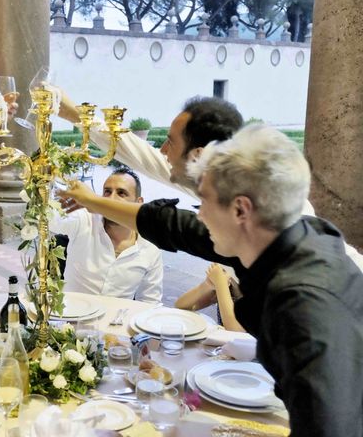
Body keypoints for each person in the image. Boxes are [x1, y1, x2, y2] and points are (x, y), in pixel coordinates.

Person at [59, 125, 363, 437]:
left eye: (202, 203)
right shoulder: (273, 232)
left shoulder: (306, 306)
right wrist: (93, 202)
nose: (199, 216)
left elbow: (330, 426)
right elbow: (177, 227)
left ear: (240, 209)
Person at [59, 93, 363, 270]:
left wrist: (92, 201)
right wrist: (76, 115)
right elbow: (141, 157)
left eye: (169, 143)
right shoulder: (218, 177)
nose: (162, 151)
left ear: (199, 154)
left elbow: (178, 227)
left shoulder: (256, 207)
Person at [50, 168, 163, 303]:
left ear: (138, 203)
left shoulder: (150, 248)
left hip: (117, 322)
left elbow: (149, 301)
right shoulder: (84, 219)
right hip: (71, 318)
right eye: (107, 192)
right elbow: (50, 221)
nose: (111, 198)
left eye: (121, 193)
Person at [175, 263, 244, 332]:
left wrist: (220, 283)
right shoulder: (230, 277)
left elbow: (235, 329)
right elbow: (180, 305)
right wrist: (207, 284)